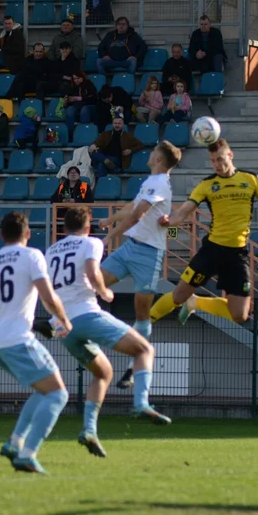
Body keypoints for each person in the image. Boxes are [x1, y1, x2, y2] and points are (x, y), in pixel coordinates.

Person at [44, 207, 169, 456]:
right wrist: (104, 292)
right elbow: (92, 272)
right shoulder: (91, 243)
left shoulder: (50, 251)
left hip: (61, 324)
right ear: (88, 226)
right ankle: (141, 403)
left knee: (103, 373)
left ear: (64, 227)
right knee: (144, 349)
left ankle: (89, 430)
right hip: (85, 314)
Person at [0, 211, 73, 474]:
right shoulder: (32, 255)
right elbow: (48, 296)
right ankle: (27, 453)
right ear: (28, 233)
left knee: (44, 390)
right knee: (58, 394)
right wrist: (63, 319)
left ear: (1, 236)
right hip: (18, 339)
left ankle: (14, 443)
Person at [149, 139, 258, 326]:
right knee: (178, 296)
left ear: (230, 155)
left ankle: (196, 302)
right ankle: (142, 324)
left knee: (240, 315)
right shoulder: (206, 185)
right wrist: (169, 221)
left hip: (237, 254)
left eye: (220, 159)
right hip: (211, 250)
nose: (217, 165)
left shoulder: (251, 179)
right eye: (213, 161)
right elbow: (183, 212)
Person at [93, 141, 181, 390]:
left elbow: (137, 215)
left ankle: (134, 366)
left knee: (141, 312)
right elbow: (132, 208)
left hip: (149, 254)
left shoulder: (160, 183)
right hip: (131, 247)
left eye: (154, 152)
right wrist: (110, 219)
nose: (150, 154)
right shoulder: (150, 181)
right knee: (93, 284)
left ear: (160, 159)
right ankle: (61, 325)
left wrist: (111, 235)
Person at [88, 114, 143, 178]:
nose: (117, 125)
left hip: (116, 159)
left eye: (119, 123)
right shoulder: (106, 134)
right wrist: (94, 145)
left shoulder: (128, 136)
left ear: (123, 125)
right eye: (115, 123)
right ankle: (105, 161)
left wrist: (130, 150)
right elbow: (97, 142)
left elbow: (141, 145)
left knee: (101, 165)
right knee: (93, 150)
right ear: (112, 124)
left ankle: (101, 184)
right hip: (104, 156)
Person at [63, 72, 97, 139]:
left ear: (82, 77)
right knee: (69, 110)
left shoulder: (89, 84)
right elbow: (69, 101)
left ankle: (85, 134)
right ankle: (69, 136)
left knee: (84, 110)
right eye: (74, 79)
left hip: (89, 107)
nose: (76, 80)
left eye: (77, 78)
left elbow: (93, 98)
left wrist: (77, 98)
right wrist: (66, 102)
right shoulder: (72, 86)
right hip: (77, 108)